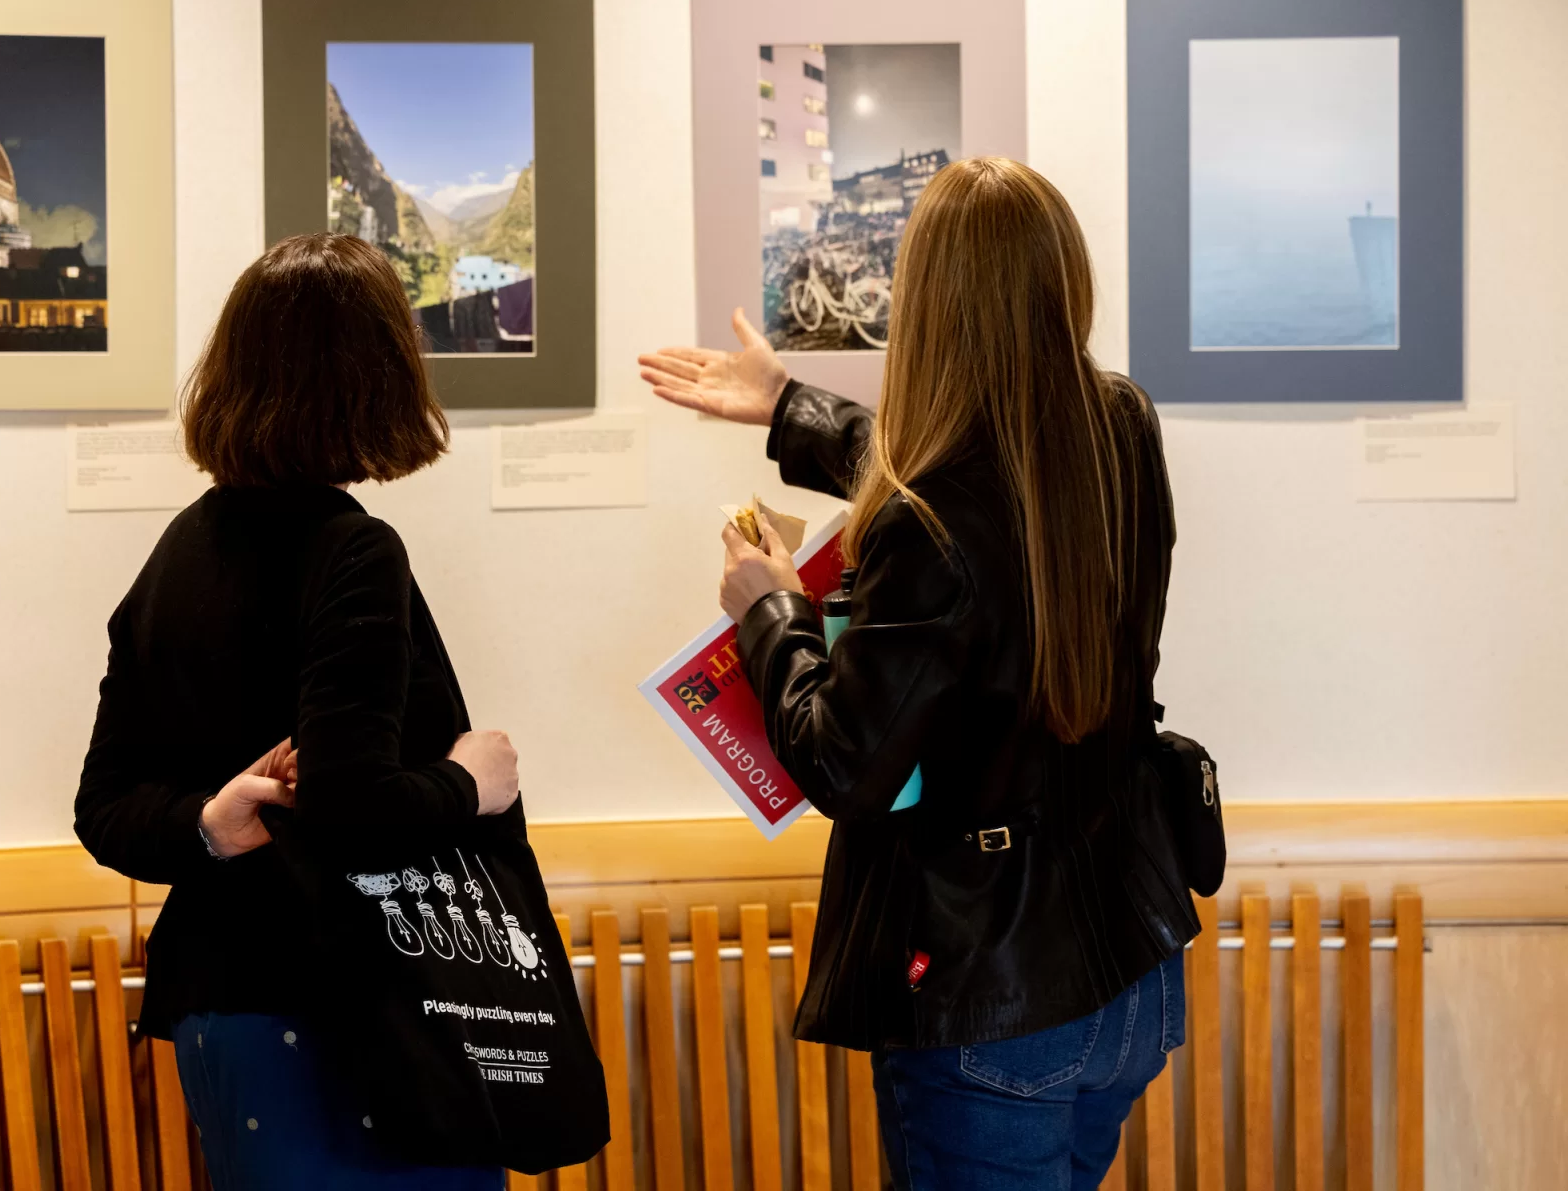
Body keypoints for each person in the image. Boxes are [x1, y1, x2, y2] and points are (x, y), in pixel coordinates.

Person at [639, 157, 1200, 1189]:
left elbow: (846, 767)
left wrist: (769, 612)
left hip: (992, 1001)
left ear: (926, 298)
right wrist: (785, 408)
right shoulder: (1119, 427)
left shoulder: (928, 519)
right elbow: (979, 479)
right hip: (1130, 961)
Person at [75, 233, 521, 1190]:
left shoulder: (176, 555)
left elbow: (102, 808)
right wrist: (469, 782)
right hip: (351, 1015)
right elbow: (354, 804)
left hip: (219, 1010)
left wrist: (207, 824)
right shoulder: (354, 552)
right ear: (377, 376)